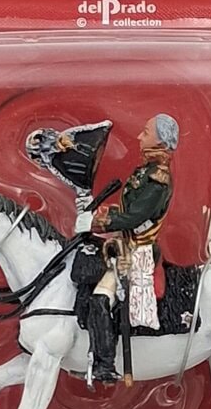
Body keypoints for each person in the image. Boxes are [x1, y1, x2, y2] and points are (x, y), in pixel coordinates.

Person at [77, 114, 179, 382]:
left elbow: (135, 218)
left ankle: (105, 364)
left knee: (100, 297)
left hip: (138, 250)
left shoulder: (158, 178)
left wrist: (97, 222)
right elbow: (128, 211)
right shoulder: (144, 171)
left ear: (159, 140)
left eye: (145, 132)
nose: (139, 136)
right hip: (125, 243)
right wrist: (103, 212)